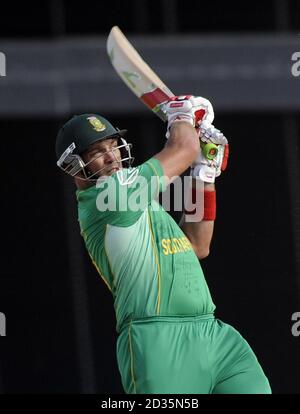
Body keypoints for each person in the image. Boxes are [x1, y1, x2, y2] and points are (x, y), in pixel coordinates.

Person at [55, 96, 271, 394]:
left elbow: (197, 244)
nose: (111, 158)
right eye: (96, 152)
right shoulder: (109, 197)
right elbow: (183, 148)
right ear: (74, 166)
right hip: (156, 340)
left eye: (112, 147)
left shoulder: (132, 196)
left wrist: (204, 175)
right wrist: (180, 114)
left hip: (213, 333)